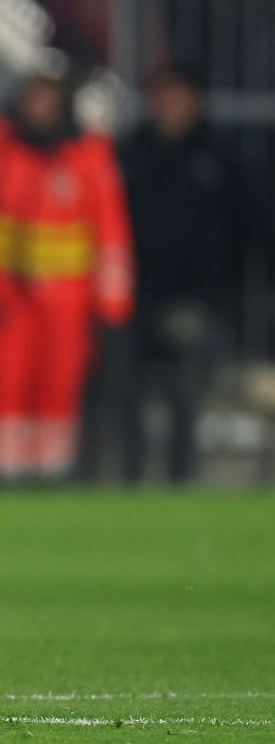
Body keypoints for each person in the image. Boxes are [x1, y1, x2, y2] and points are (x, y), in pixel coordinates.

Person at [0, 70, 134, 481]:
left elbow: (111, 238)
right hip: (3, 296)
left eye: (49, 100)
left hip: (66, 302)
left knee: (58, 387)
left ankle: (53, 474)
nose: (40, 109)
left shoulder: (88, 157)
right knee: (0, 385)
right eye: (34, 99)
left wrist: (112, 308)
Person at [118, 65, 247, 481]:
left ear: (195, 101)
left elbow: (246, 229)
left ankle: (181, 479)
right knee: (128, 392)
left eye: (176, 94)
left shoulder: (218, 157)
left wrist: (222, 288)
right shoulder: (130, 152)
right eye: (161, 94)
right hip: (134, 294)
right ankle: (130, 478)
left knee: (184, 390)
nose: (167, 103)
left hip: (194, 297)